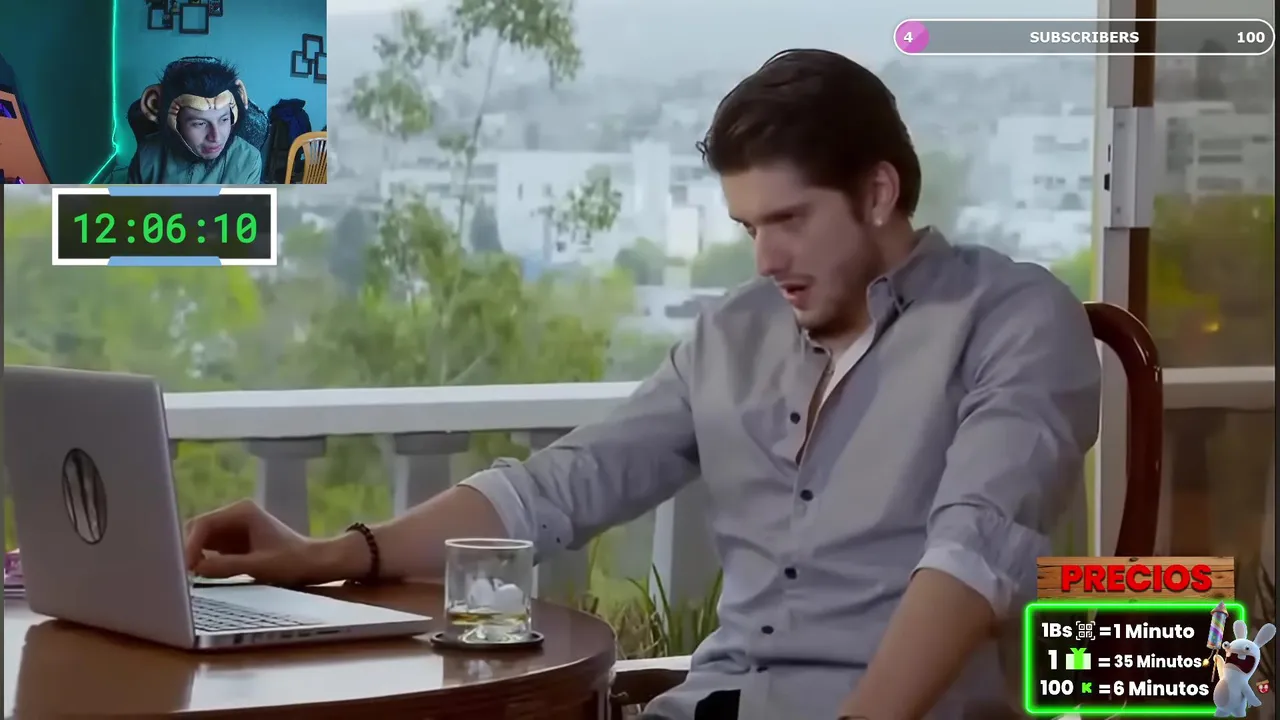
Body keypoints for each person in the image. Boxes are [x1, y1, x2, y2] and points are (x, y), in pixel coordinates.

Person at [184, 49, 1101, 719]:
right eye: (749, 226)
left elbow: (976, 549)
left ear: (879, 192)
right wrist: (329, 554)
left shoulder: (1013, 319)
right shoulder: (732, 335)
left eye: (789, 220)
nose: (766, 258)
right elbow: (560, 487)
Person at [125, 58, 261, 185]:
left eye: (224, 119)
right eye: (200, 124)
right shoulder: (147, 155)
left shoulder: (248, 160)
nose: (216, 137)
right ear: (175, 122)